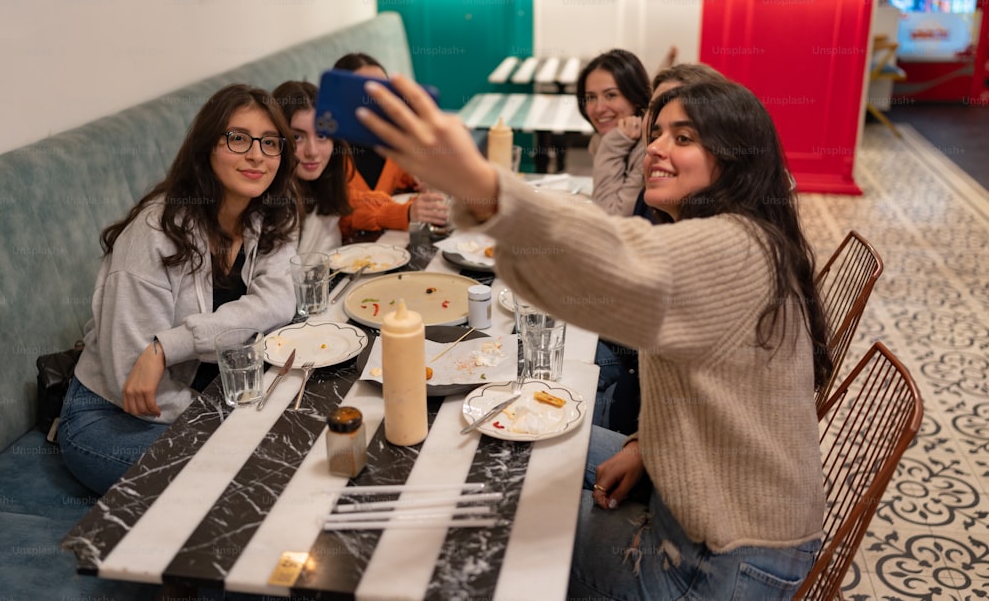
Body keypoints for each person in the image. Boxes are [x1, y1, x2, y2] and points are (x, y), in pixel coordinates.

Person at [355, 74, 831, 599]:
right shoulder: (747, 235)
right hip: (717, 516)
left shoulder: (735, 249)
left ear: (737, 161)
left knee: (494, 518)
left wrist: (486, 187)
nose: (655, 148)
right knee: (509, 438)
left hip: (719, 562)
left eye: (683, 138)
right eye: (657, 133)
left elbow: (612, 258)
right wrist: (645, 446)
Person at [57, 84, 300, 495]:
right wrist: (229, 420)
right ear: (207, 147)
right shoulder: (156, 232)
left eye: (270, 142)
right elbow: (129, 377)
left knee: (294, 451)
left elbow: (276, 302)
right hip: (113, 418)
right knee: (250, 480)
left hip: (206, 396)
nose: (257, 154)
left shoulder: (267, 215)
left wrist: (170, 346)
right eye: (238, 139)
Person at [595, 62, 729, 434]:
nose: (654, 145)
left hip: (670, 443)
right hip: (653, 408)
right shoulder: (673, 210)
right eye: (654, 116)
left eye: (683, 137)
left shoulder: (717, 245)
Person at [330, 52, 449, 233]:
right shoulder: (327, 149)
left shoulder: (390, 140)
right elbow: (345, 209)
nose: (378, 99)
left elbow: (407, 172)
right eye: (366, 90)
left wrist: (424, 178)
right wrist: (406, 212)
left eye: (383, 89)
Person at [272, 80, 352, 252]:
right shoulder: (270, 205)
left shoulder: (326, 186)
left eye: (322, 135)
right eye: (297, 138)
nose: (312, 151)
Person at [575, 49, 651, 217]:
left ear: (636, 98)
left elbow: (611, 218)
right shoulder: (602, 138)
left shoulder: (648, 149)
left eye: (611, 95)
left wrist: (612, 145)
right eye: (591, 97)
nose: (599, 108)